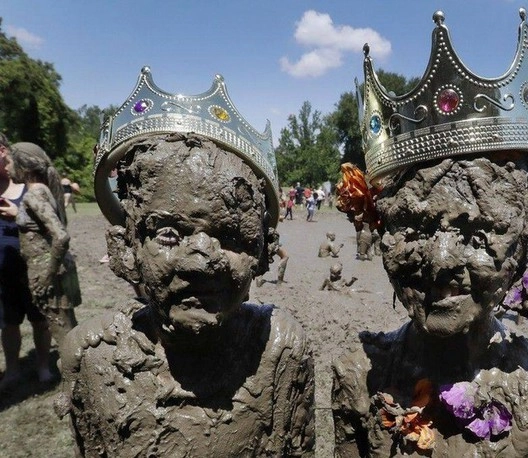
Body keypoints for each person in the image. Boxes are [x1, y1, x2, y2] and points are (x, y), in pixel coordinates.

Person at [333, 10, 528, 456]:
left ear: (524, 241)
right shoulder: (359, 377)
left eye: (476, 234)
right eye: (415, 229)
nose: (440, 260)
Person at [57, 69, 314, 455]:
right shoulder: (92, 360)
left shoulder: (281, 352)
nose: (200, 262)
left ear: (262, 255)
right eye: (168, 234)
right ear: (125, 250)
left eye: (231, 238)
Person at [6, 142, 79, 347]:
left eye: (9, 162)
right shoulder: (42, 190)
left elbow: (61, 236)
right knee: (69, 331)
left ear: (24, 166)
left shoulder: (34, 194)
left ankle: (74, 367)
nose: (6, 167)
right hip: (52, 270)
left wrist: (48, 275)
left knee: (64, 337)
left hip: (49, 273)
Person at [0, 134, 53, 390]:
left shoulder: (29, 185)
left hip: (31, 267)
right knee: (8, 323)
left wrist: (16, 214)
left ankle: (43, 365)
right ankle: (12, 369)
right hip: (3, 270)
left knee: (40, 320)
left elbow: (51, 224)